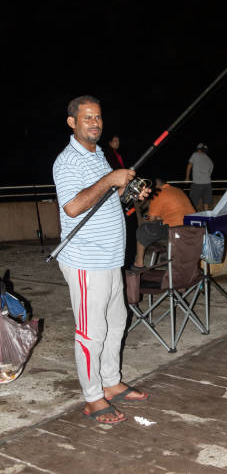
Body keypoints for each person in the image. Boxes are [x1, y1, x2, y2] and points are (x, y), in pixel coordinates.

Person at [53, 95, 150, 425]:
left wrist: (128, 191)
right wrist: (111, 179)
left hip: (110, 258)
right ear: (73, 123)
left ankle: (110, 382)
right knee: (91, 332)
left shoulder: (98, 156)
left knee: (116, 323)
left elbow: (105, 196)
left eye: (98, 117)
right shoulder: (67, 161)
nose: (95, 122)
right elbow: (73, 206)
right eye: (87, 118)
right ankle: (93, 397)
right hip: (85, 260)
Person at [132, 177, 195, 269]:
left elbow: (151, 219)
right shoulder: (177, 190)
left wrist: (142, 215)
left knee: (143, 230)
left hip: (176, 230)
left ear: (155, 185)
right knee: (161, 224)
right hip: (192, 227)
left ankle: (139, 263)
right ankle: (166, 255)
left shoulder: (159, 193)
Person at [103, 134, 138, 270]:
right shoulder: (107, 155)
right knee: (126, 227)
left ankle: (129, 260)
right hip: (117, 196)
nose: (118, 142)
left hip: (125, 195)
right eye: (115, 140)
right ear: (110, 142)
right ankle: (125, 262)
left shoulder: (116, 154)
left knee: (131, 226)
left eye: (118, 140)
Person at [185, 142, 214, 211]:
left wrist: (187, 177)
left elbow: (189, 166)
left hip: (197, 184)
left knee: (192, 203)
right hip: (208, 184)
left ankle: (192, 217)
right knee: (206, 203)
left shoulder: (195, 154)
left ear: (198, 149)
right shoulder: (209, 160)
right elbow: (210, 173)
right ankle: (207, 217)